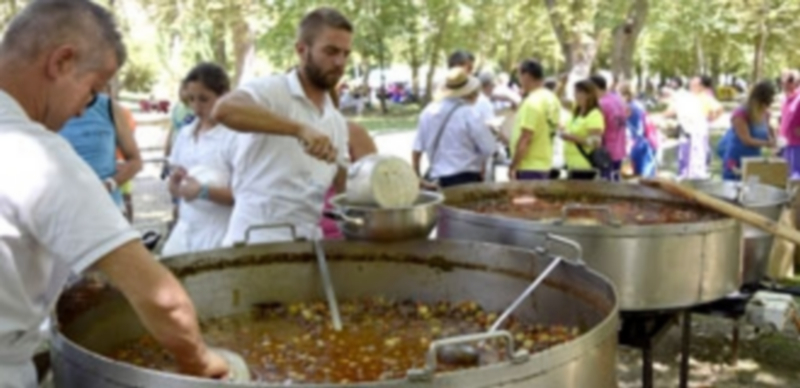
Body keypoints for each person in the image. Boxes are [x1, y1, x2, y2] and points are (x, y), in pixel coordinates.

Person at [0, 1, 229, 386]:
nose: (82, 112)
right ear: (62, 62)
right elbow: (163, 302)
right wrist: (203, 364)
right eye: (91, 91)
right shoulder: (39, 158)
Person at [213, 7, 350, 245]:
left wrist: (391, 182)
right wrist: (299, 129)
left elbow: (344, 185)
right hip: (255, 241)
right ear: (301, 50)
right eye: (330, 51)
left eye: (345, 54)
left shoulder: (336, 120)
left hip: (309, 245)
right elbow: (224, 110)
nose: (339, 62)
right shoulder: (272, 90)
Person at [162, 63, 238, 256]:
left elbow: (245, 195)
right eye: (191, 99)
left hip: (220, 235)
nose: (196, 107)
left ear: (224, 96)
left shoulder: (234, 137)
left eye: (204, 99)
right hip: (186, 232)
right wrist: (175, 184)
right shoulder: (186, 134)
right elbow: (176, 179)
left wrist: (203, 191)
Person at [59, 90, 142, 215]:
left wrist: (109, 185)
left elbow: (136, 162)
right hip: (65, 211)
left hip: (108, 210)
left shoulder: (109, 107)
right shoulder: (48, 106)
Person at [412, 67, 497, 188]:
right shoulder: (470, 113)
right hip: (466, 179)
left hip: (437, 179)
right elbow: (489, 148)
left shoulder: (428, 112)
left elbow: (417, 149)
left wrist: (417, 176)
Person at [508, 59, 561, 180]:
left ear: (526, 76)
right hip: (544, 163)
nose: (519, 80)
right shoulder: (552, 99)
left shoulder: (532, 102)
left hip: (529, 167)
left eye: (519, 75)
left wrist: (514, 165)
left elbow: (526, 138)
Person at [720, 80, 777, 181]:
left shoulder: (765, 114)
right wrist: (767, 143)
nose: (768, 106)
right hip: (736, 158)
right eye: (767, 102)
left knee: (752, 188)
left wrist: (774, 138)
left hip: (754, 158)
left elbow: (768, 131)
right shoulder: (741, 114)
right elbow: (746, 140)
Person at [560, 80, 606, 180]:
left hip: (584, 165)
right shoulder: (576, 110)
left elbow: (595, 142)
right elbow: (558, 99)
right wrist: (561, 84)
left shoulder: (594, 115)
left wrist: (571, 137)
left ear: (588, 95)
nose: (575, 95)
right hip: (570, 162)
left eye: (578, 92)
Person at [589, 74, 626, 181]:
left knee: (606, 183)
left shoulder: (601, 104)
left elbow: (596, 128)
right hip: (619, 148)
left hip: (605, 152)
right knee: (615, 180)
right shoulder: (617, 99)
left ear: (594, 88)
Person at [619, 82, 656, 178]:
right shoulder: (638, 105)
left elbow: (620, 121)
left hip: (634, 142)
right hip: (643, 140)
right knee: (645, 173)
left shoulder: (627, 107)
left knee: (635, 174)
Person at [779, 69, 800, 180]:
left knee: (796, 179)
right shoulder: (784, 99)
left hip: (797, 147)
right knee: (784, 177)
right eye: (782, 80)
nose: (784, 84)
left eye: (789, 80)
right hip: (784, 145)